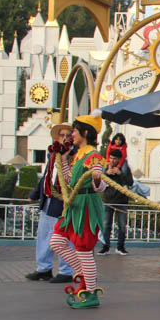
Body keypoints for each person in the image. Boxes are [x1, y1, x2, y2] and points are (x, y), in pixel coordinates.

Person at [49, 113, 108, 309]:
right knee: (57, 242)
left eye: (74, 130)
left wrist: (98, 178)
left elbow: (99, 186)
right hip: (73, 204)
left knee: (83, 250)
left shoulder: (94, 156)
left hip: (86, 205)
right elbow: (68, 181)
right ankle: (84, 273)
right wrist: (64, 160)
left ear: (84, 132)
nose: (71, 134)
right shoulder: (77, 155)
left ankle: (90, 292)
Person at [25, 122, 76, 283]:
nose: (65, 138)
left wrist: (66, 158)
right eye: (62, 135)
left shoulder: (74, 156)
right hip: (48, 199)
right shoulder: (53, 155)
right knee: (44, 235)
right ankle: (43, 268)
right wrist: (34, 194)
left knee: (63, 238)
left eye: (68, 135)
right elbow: (47, 176)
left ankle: (66, 270)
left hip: (62, 202)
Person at [99, 147, 134, 256]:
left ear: (119, 159)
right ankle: (105, 247)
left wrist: (120, 173)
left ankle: (120, 247)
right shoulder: (105, 167)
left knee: (122, 225)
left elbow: (130, 182)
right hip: (108, 200)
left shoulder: (124, 168)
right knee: (106, 225)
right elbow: (98, 181)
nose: (112, 161)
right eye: (111, 158)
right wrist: (107, 174)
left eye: (115, 159)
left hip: (121, 201)